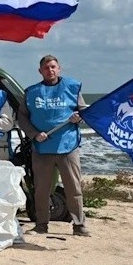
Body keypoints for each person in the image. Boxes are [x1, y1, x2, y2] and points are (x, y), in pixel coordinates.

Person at [17, 55, 90, 237]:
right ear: (40, 71)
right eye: (46, 68)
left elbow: (82, 111)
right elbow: (22, 117)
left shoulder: (72, 87)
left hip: (67, 145)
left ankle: (79, 225)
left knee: (73, 187)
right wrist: (34, 134)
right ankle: (41, 224)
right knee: (41, 189)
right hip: (42, 148)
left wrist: (79, 117)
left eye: (53, 67)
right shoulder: (32, 92)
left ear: (59, 68)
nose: (50, 70)